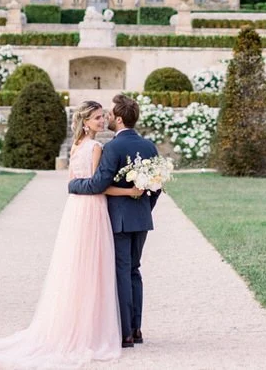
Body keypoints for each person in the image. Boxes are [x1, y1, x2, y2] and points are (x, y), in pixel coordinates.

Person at [0, 100, 142, 368]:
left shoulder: (76, 146)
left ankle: (73, 323)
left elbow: (74, 182)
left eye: (103, 117)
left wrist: (77, 186)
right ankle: (93, 329)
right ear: (86, 122)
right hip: (92, 209)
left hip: (75, 210)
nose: (102, 121)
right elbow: (99, 186)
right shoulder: (97, 147)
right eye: (98, 117)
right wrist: (128, 191)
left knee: (76, 266)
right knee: (94, 267)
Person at [68, 94, 159, 349]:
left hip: (118, 220)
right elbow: (157, 186)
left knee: (121, 272)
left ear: (118, 119)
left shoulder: (113, 148)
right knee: (134, 271)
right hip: (141, 218)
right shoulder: (150, 146)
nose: (106, 117)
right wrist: (143, 208)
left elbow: (99, 184)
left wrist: (74, 184)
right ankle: (138, 329)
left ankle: (126, 334)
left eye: (108, 114)